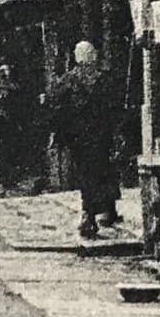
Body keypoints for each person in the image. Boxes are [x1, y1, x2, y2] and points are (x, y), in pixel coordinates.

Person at [46, 40, 115, 240]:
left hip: (80, 138)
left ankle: (90, 213)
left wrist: (58, 133)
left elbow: (56, 109)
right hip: (97, 137)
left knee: (88, 175)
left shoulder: (68, 81)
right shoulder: (101, 80)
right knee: (98, 173)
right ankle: (95, 211)